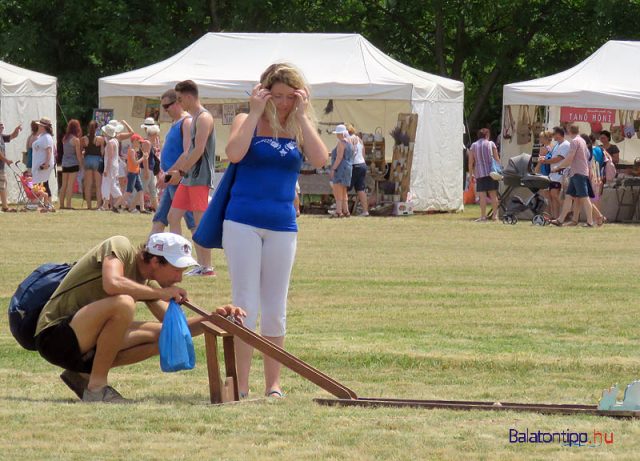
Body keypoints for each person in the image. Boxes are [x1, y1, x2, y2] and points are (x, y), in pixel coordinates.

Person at [33, 233, 245, 403]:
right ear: (154, 261)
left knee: (164, 337)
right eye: (176, 270)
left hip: (80, 346)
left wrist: (215, 319)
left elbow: (176, 332)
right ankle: (96, 388)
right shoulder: (120, 246)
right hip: (53, 336)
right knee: (124, 303)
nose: (179, 278)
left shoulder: (146, 284)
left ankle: (81, 375)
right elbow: (112, 283)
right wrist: (159, 294)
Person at [223, 63, 328, 398]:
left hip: (283, 224)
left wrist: (301, 114)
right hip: (242, 221)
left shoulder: (299, 125)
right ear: (264, 91)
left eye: (289, 96)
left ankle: (273, 384)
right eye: (276, 95)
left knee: (275, 307)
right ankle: (240, 384)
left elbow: (321, 159)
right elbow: (234, 153)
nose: (282, 102)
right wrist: (255, 111)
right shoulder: (247, 119)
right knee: (245, 303)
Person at [166, 80, 215, 277]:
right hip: (188, 178)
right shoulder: (194, 118)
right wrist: (175, 172)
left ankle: (207, 266)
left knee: (199, 222)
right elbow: (188, 152)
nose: (179, 104)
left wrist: (181, 172)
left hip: (199, 177)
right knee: (173, 217)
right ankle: (179, 261)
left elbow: (198, 150)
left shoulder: (204, 117)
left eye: (179, 99)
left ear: (188, 97)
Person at [151, 89, 195, 235]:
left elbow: (187, 152)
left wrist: (169, 174)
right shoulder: (175, 122)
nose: (165, 110)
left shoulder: (186, 122)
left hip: (180, 179)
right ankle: (150, 254)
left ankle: (200, 256)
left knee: (192, 222)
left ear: (177, 103)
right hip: (172, 180)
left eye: (167, 106)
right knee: (160, 219)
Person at [551, 125, 594, 227]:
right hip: (578, 172)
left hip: (578, 173)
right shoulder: (582, 141)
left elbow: (570, 158)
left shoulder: (574, 142)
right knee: (569, 197)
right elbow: (587, 156)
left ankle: (590, 222)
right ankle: (560, 220)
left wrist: (558, 167)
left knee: (584, 197)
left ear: (569, 131)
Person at [468, 128, 500, 222]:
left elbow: (471, 162)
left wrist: (471, 175)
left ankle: (483, 216)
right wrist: (499, 170)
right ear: (487, 135)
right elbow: (496, 158)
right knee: (493, 195)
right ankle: (495, 215)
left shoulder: (473, 145)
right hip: (491, 173)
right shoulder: (491, 144)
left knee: (482, 196)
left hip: (480, 173)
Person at [538, 127, 570, 219]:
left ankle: (567, 211)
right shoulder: (557, 145)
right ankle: (555, 217)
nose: (553, 136)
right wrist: (544, 158)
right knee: (552, 196)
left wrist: (545, 161)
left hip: (560, 173)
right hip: (553, 174)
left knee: (554, 194)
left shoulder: (565, 145)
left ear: (559, 134)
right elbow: (551, 156)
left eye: (554, 134)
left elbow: (559, 158)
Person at [100, 121, 126, 213]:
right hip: (114, 166)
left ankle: (106, 203)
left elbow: (110, 157)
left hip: (110, 166)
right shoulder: (115, 141)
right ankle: (118, 201)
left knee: (107, 184)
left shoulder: (111, 143)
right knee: (112, 184)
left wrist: (106, 169)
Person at [329, 124, 354, 217]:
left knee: (337, 188)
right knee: (344, 190)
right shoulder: (350, 142)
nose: (336, 135)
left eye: (337, 133)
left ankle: (338, 211)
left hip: (341, 167)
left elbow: (339, 157)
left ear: (340, 134)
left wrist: (333, 168)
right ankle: (346, 211)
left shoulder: (341, 143)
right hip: (348, 167)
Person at [31, 117, 55, 210]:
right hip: (40, 164)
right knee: (44, 183)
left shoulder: (47, 137)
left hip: (44, 165)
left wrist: (46, 163)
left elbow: (49, 151)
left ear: (43, 126)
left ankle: (48, 204)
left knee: (43, 183)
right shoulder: (42, 136)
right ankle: (47, 204)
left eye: (40, 125)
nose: (38, 126)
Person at [59, 120, 84, 209]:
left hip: (65, 163)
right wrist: (81, 164)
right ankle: (68, 205)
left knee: (64, 185)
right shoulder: (76, 140)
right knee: (70, 185)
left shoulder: (64, 138)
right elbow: (78, 155)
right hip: (73, 163)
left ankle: (61, 204)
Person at [81, 121, 105, 210]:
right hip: (97, 159)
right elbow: (102, 152)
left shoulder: (84, 138)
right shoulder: (100, 139)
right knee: (98, 185)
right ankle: (98, 205)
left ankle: (89, 206)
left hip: (87, 159)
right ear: (97, 128)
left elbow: (82, 151)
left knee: (88, 184)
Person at [347, 124, 369, 216]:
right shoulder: (359, 139)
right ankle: (365, 211)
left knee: (344, 188)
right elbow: (363, 154)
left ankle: (341, 209)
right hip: (362, 164)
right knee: (360, 189)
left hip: (354, 165)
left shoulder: (348, 139)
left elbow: (348, 154)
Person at [0, 121, 22, 212]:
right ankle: (5, 207)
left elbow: (12, 136)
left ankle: (5, 206)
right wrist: (7, 160)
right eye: (0, 126)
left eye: (2, 125)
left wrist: (16, 130)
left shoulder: (1, 136)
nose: (2, 127)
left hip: (1, 166)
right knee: (2, 185)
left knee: (3, 185)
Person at [140, 117, 160, 211]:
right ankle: (131, 206)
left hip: (150, 168)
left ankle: (158, 209)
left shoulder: (149, 142)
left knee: (153, 190)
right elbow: (145, 157)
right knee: (142, 189)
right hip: (147, 168)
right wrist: (147, 170)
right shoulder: (147, 142)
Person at [124, 134, 146, 213]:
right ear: (135, 141)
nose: (140, 144)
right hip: (133, 173)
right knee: (128, 191)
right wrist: (143, 158)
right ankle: (116, 205)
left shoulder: (133, 150)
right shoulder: (132, 151)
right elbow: (135, 163)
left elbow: (129, 163)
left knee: (140, 190)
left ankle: (142, 208)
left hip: (135, 173)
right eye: (139, 142)